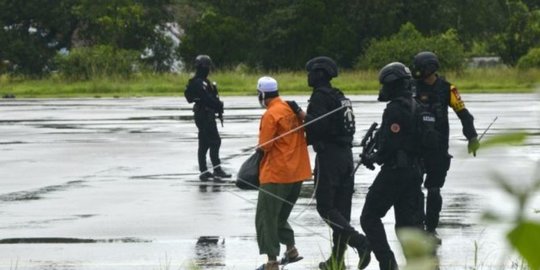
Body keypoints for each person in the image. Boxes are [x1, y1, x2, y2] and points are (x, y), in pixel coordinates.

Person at [296, 56, 370, 270]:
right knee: (341, 212)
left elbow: (317, 127)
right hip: (346, 157)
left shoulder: (320, 97)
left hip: (330, 157)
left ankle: (360, 242)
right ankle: (336, 261)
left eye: (310, 72)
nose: (308, 76)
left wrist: (300, 114)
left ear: (319, 74)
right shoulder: (339, 96)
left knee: (326, 207)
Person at [359, 62, 427, 270]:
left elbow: (391, 145)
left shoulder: (395, 109)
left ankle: (387, 264)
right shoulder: (416, 105)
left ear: (393, 85)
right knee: (406, 226)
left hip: (396, 172)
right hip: (414, 172)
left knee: (369, 217)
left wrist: (373, 158)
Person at [411, 51, 479, 243]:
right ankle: (415, 228)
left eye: (420, 67)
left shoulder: (448, 89)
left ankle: (430, 230)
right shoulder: (411, 88)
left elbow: (464, 114)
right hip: (415, 149)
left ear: (430, 69)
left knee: (433, 190)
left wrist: (472, 137)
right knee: (413, 190)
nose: (416, 71)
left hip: (438, 150)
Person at [254, 76, 312, 270]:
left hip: (277, 174)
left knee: (266, 218)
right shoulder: (291, 109)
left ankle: (271, 261)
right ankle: (291, 249)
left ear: (262, 94)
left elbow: (265, 146)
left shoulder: (271, 114)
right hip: (297, 174)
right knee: (280, 217)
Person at [185, 55, 231, 181]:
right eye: (207, 67)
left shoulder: (204, 82)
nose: (209, 69)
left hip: (206, 114)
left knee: (205, 142)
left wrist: (217, 106)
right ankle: (216, 169)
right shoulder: (198, 82)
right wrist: (217, 104)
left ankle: (204, 170)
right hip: (204, 115)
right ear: (203, 67)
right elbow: (206, 99)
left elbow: (210, 97)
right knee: (214, 141)